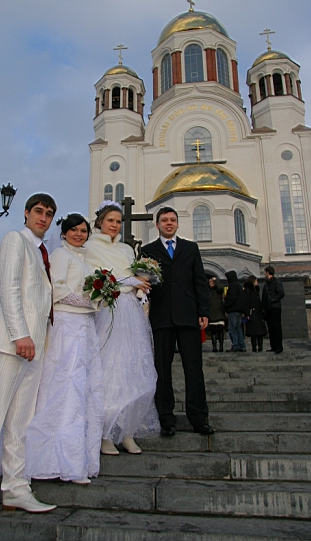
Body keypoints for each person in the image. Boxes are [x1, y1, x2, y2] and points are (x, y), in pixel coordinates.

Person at [0, 193, 58, 516]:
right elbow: (7, 289)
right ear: (26, 213)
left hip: (35, 348)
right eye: (38, 211)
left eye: (49, 214)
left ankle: (15, 487)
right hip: (11, 344)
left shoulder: (41, 252)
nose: (43, 218)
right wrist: (20, 334)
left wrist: (36, 340)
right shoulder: (14, 240)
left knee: (20, 423)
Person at [25, 213, 104, 485]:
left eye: (83, 231)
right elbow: (55, 287)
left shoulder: (85, 260)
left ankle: (76, 460)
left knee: (83, 389)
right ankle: (52, 459)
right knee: (66, 386)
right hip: (67, 324)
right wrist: (85, 301)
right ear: (64, 233)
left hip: (85, 326)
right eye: (74, 230)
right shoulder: (60, 255)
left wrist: (100, 297)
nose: (79, 234)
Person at [84, 201, 160, 455]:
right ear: (100, 222)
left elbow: (132, 276)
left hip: (131, 311)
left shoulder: (127, 249)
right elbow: (97, 278)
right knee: (110, 369)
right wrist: (131, 280)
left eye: (118, 221)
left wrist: (141, 285)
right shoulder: (91, 246)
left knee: (132, 368)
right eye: (110, 221)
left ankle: (127, 431)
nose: (115, 225)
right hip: (109, 309)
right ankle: (105, 433)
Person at [142, 207, 214, 437]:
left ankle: (199, 418)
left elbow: (199, 281)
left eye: (172, 220)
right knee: (162, 370)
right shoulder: (147, 251)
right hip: (161, 317)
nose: (169, 223)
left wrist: (203, 311)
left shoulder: (190, 248)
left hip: (188, 316)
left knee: (194, 368)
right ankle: (166, 418)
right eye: (164, 220)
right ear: (157, 224)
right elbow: (145, 284)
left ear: (178, 223)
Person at [262, 265, 285, 354]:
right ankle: (273, 346)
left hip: (275, 307)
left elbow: (281, 293)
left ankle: (279, 346)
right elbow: (264, 297)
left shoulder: (276, 281)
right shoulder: (266, 284)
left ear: (267, 272)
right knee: (270, 328)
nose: (264, 274)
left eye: (265, 272)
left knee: (276, 327)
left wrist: (272, 299)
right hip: (268, 308)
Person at [223, 270, 247, 352]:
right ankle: (242, 345)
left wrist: (225, 304)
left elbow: (231, 298)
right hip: (239, 311)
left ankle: (236, 345)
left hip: (233, 310)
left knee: (232, 328)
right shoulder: (239, 285)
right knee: (238, 328)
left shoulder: (233, 286)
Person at [243, 275, 267, 352]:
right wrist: (247, 314)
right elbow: (246, 302)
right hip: (252, 312)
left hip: (258, 313)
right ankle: (254, 347)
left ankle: (260, 346)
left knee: (259, 331)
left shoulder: (256, 290)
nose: (257, 282)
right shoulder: (247, 290)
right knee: (253, 331)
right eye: (256, 280)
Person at [208, 277, 226, 353]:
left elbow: (221, 288)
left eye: (213, 282)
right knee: (213, 332)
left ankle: (221, 346)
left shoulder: (218, 291)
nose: (212, 283)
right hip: (212, 313)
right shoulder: (208, 291)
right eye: (210, 282)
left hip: (219, 313)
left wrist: (216, 280)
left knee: (220, 331)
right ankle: (214, 347)